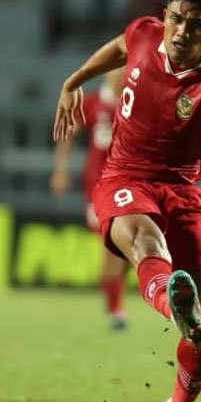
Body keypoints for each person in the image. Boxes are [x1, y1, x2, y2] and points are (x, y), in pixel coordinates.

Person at [52, 0, 201, 402]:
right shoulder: (144, 32)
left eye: (198, 25)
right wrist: (75, 79)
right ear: (165, 15)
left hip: (183, 193)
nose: (184, 32)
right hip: (122, 177)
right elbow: (120, 48)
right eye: (178, 19)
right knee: (145, 242)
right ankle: (171, 301)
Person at [50, 67, 129, 330]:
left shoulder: (134, 104)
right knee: (113, 248)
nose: (120, 77)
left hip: (129, 186)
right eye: (116, 72)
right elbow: (67, 134)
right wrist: (61, 170)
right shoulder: (93, 102)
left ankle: (114, 302)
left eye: (125, 72)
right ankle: (116, 308)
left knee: (122, 250)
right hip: (98, 187)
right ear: (107, 75)